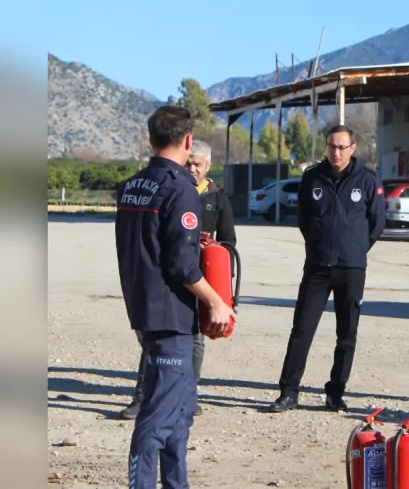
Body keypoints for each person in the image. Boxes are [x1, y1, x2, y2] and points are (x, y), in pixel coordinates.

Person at [115, 105, 236, 489]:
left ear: (151, 139)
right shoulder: (180, 188)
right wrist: (216, 300)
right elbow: (182, 265)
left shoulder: (133, 185)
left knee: (180, 413)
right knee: (156, 415)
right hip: (169, 314)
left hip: (145, 307)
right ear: (187, 141)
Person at [270, 124, 386, 413]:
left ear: (353, 148)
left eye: (342, 147)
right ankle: (288, 391)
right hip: (318, 267)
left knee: (346, 335)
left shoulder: (368, 180)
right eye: (332, 146)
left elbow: (377, 223)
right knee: (302, 330)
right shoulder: (312, 178)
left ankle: (335, 392)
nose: (336, 152)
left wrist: (355, 249)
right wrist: (319, 245)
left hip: (351, 268)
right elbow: (304, 220)